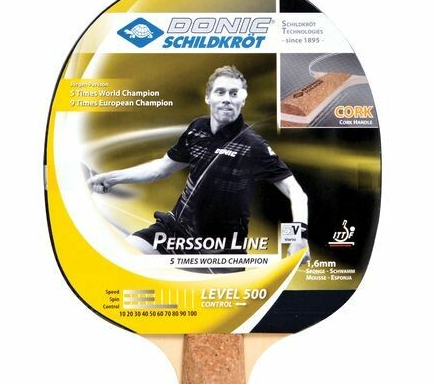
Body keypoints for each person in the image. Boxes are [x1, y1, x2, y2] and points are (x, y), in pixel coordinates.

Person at [88, 65, 309, 260]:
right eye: (220, 92)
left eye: (234, 93)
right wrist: (111, 178)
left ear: (243, 100)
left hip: (219, 249)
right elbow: (161, 168)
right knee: (125, 256)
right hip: (174, 231)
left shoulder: (253, 145)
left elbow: (296, 192)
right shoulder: (197, 129)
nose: (227, 98)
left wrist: (299, 239)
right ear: (208, 97)